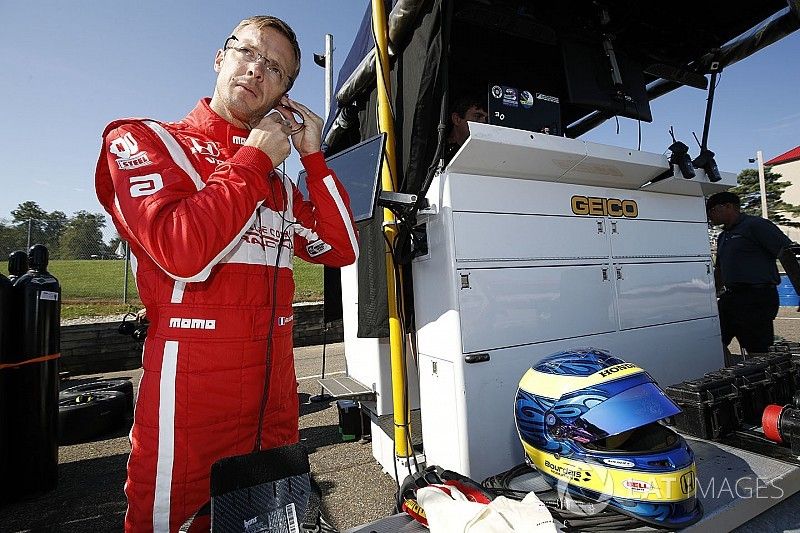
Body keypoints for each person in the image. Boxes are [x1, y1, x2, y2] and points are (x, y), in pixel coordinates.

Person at [94, 15, 358, 532]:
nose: (258, 70)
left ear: (284, 95)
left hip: (276, 408)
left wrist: (314, 159)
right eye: (249, 53)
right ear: (221, 58)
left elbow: (342, 248)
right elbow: (181, 251)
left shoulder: (278, 185)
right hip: (189, 414)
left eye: (276, 69)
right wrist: (253, 158)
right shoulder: (145, 140)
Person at [707, 191, 792, 355]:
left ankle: (761, 378)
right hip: (732, 297)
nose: (710, 216)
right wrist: (711, 295)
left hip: (757, 297)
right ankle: (728, 374)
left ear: (728, 206)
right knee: (713, 340)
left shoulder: (756, 225)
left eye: (712, 211)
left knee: (757, 349)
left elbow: (787, 254)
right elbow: (720, 269)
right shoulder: (723, 236)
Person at [444, 94, 488, 163]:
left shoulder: (486, 153)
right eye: (477, 116)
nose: (484, 123)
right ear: (457, 119)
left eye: (487, 119)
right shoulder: (438, 152)